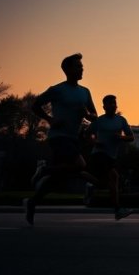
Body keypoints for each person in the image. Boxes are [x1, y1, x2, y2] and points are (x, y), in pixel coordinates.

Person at [24, 53, 100, 225]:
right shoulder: (57, 90)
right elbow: (35, 105)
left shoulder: (85, 92)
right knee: (80, 165)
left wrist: (88, 115)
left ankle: (32, 202)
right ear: (67, 70)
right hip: (58, 137)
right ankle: (44, 170)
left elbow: (95, 115)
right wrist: (50, 119)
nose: (82, 69)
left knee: (58, 178)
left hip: (74, 138)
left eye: (82, 66)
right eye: (78, 66)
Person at [84, 95, 134, 220]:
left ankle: (81, 174)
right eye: (110, 103)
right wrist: (95, 142)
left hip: (112, 156)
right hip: (99, 154)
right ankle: (117, 210)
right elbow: (87, 134)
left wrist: (121, 137)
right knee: (114, 176)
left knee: (105, 183)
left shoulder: (121, 120)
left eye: (114, 103)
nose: (113, 105)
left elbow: (131, 137)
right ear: (104, 107)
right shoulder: (99, 121)